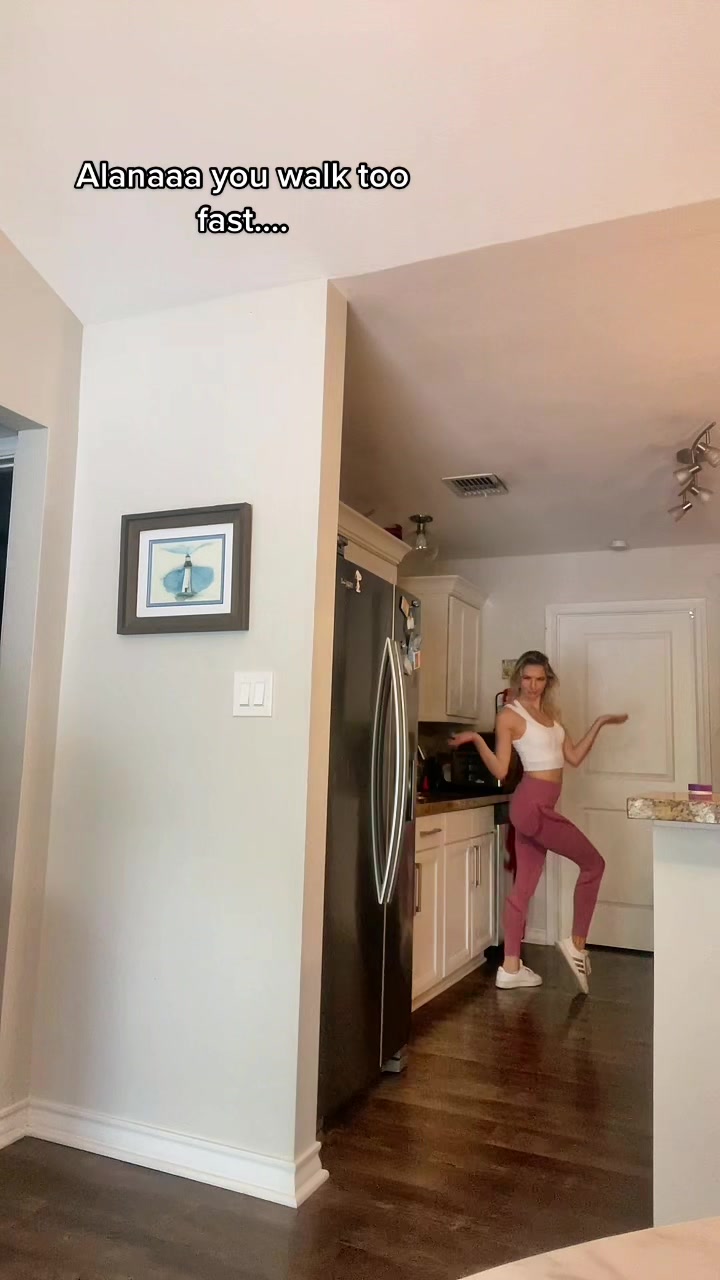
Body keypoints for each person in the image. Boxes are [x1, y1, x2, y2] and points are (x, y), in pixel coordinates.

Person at [449, 651, 628, 995]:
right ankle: (577, 944)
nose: (533, 685)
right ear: (519, 678)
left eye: (540, 679)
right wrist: (478, 740)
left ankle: (510, 968)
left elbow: (573, 757)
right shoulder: (510, 716)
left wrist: (600, 722)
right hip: (532, 806)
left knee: (523, 889)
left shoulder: (551, 716)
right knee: (594, 864)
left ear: (548, 681)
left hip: (537, 807)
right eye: (528, 678)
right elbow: (501, 769)